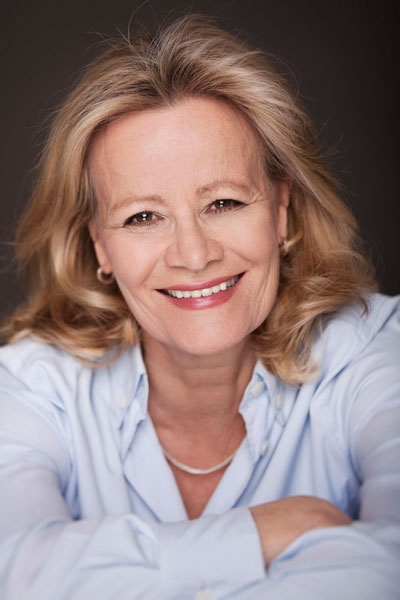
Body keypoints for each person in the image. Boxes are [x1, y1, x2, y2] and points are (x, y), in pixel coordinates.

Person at [0, 14, 399, 600]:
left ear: (281, 211)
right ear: (99, 244)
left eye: (224, 203)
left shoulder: (376, 352)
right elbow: (12, 570)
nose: (193, 254)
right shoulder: (33, 386)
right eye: (143, 216)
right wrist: (261, 535)